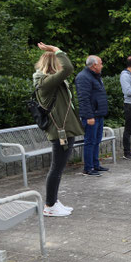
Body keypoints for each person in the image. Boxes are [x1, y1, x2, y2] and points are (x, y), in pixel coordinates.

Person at [32, 42, 83, 216]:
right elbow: (68, 67)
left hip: (64, 129)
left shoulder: (51, 82)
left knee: (59, 168)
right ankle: (50, 206)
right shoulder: (46, 82)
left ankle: (53, 201)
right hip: (59, 130)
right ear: (54, 65)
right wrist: (55, 49)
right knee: (56, 168)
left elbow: (66, 68)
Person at [75, 54, 109, 176]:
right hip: (91, 116)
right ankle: (88, 168)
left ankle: (95, 165)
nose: (102, 65)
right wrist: (89, 116)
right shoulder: (83, 77)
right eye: (101, 63)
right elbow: (83, 99)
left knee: (96, 140)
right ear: (94, 65)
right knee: (90, 141)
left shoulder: (95, 76)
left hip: (98, 114)